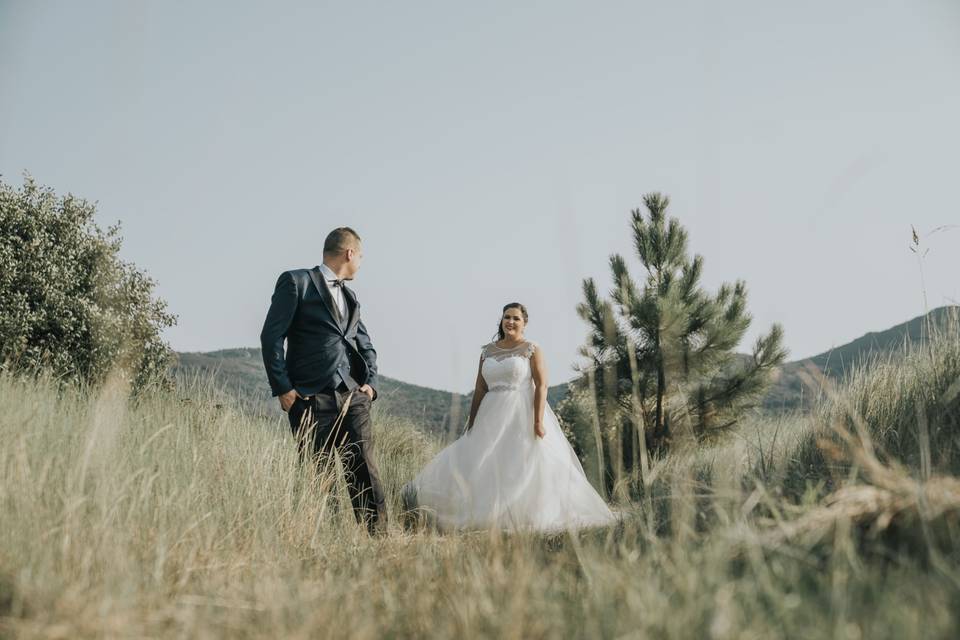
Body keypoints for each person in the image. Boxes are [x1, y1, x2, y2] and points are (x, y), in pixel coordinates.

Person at [403, 302, 617, 532]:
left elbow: (542, 384)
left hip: (520, 411)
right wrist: (472, 421)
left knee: (521, 461)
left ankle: (522, 513)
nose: (511, 322)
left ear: (524, 323)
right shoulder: (487, 351)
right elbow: (480, 388)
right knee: (484, 461)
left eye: (516, 318)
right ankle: (483, 511)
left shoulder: (531, 348)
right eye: (507, 317)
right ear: (501, 320)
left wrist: (538, 420)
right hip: (490, 412)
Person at [260, 227, 386, 535]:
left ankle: (378, 537)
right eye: (361, 257)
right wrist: (283, 388)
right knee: (319, 471)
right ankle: (324, 537)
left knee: (365, 468)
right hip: (308, 397)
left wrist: (370, 382)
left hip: (353, 395)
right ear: (349, 253)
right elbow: (271, 337)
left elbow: (364, 342)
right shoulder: (296, 282)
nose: (361, 264)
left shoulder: (349, 296)